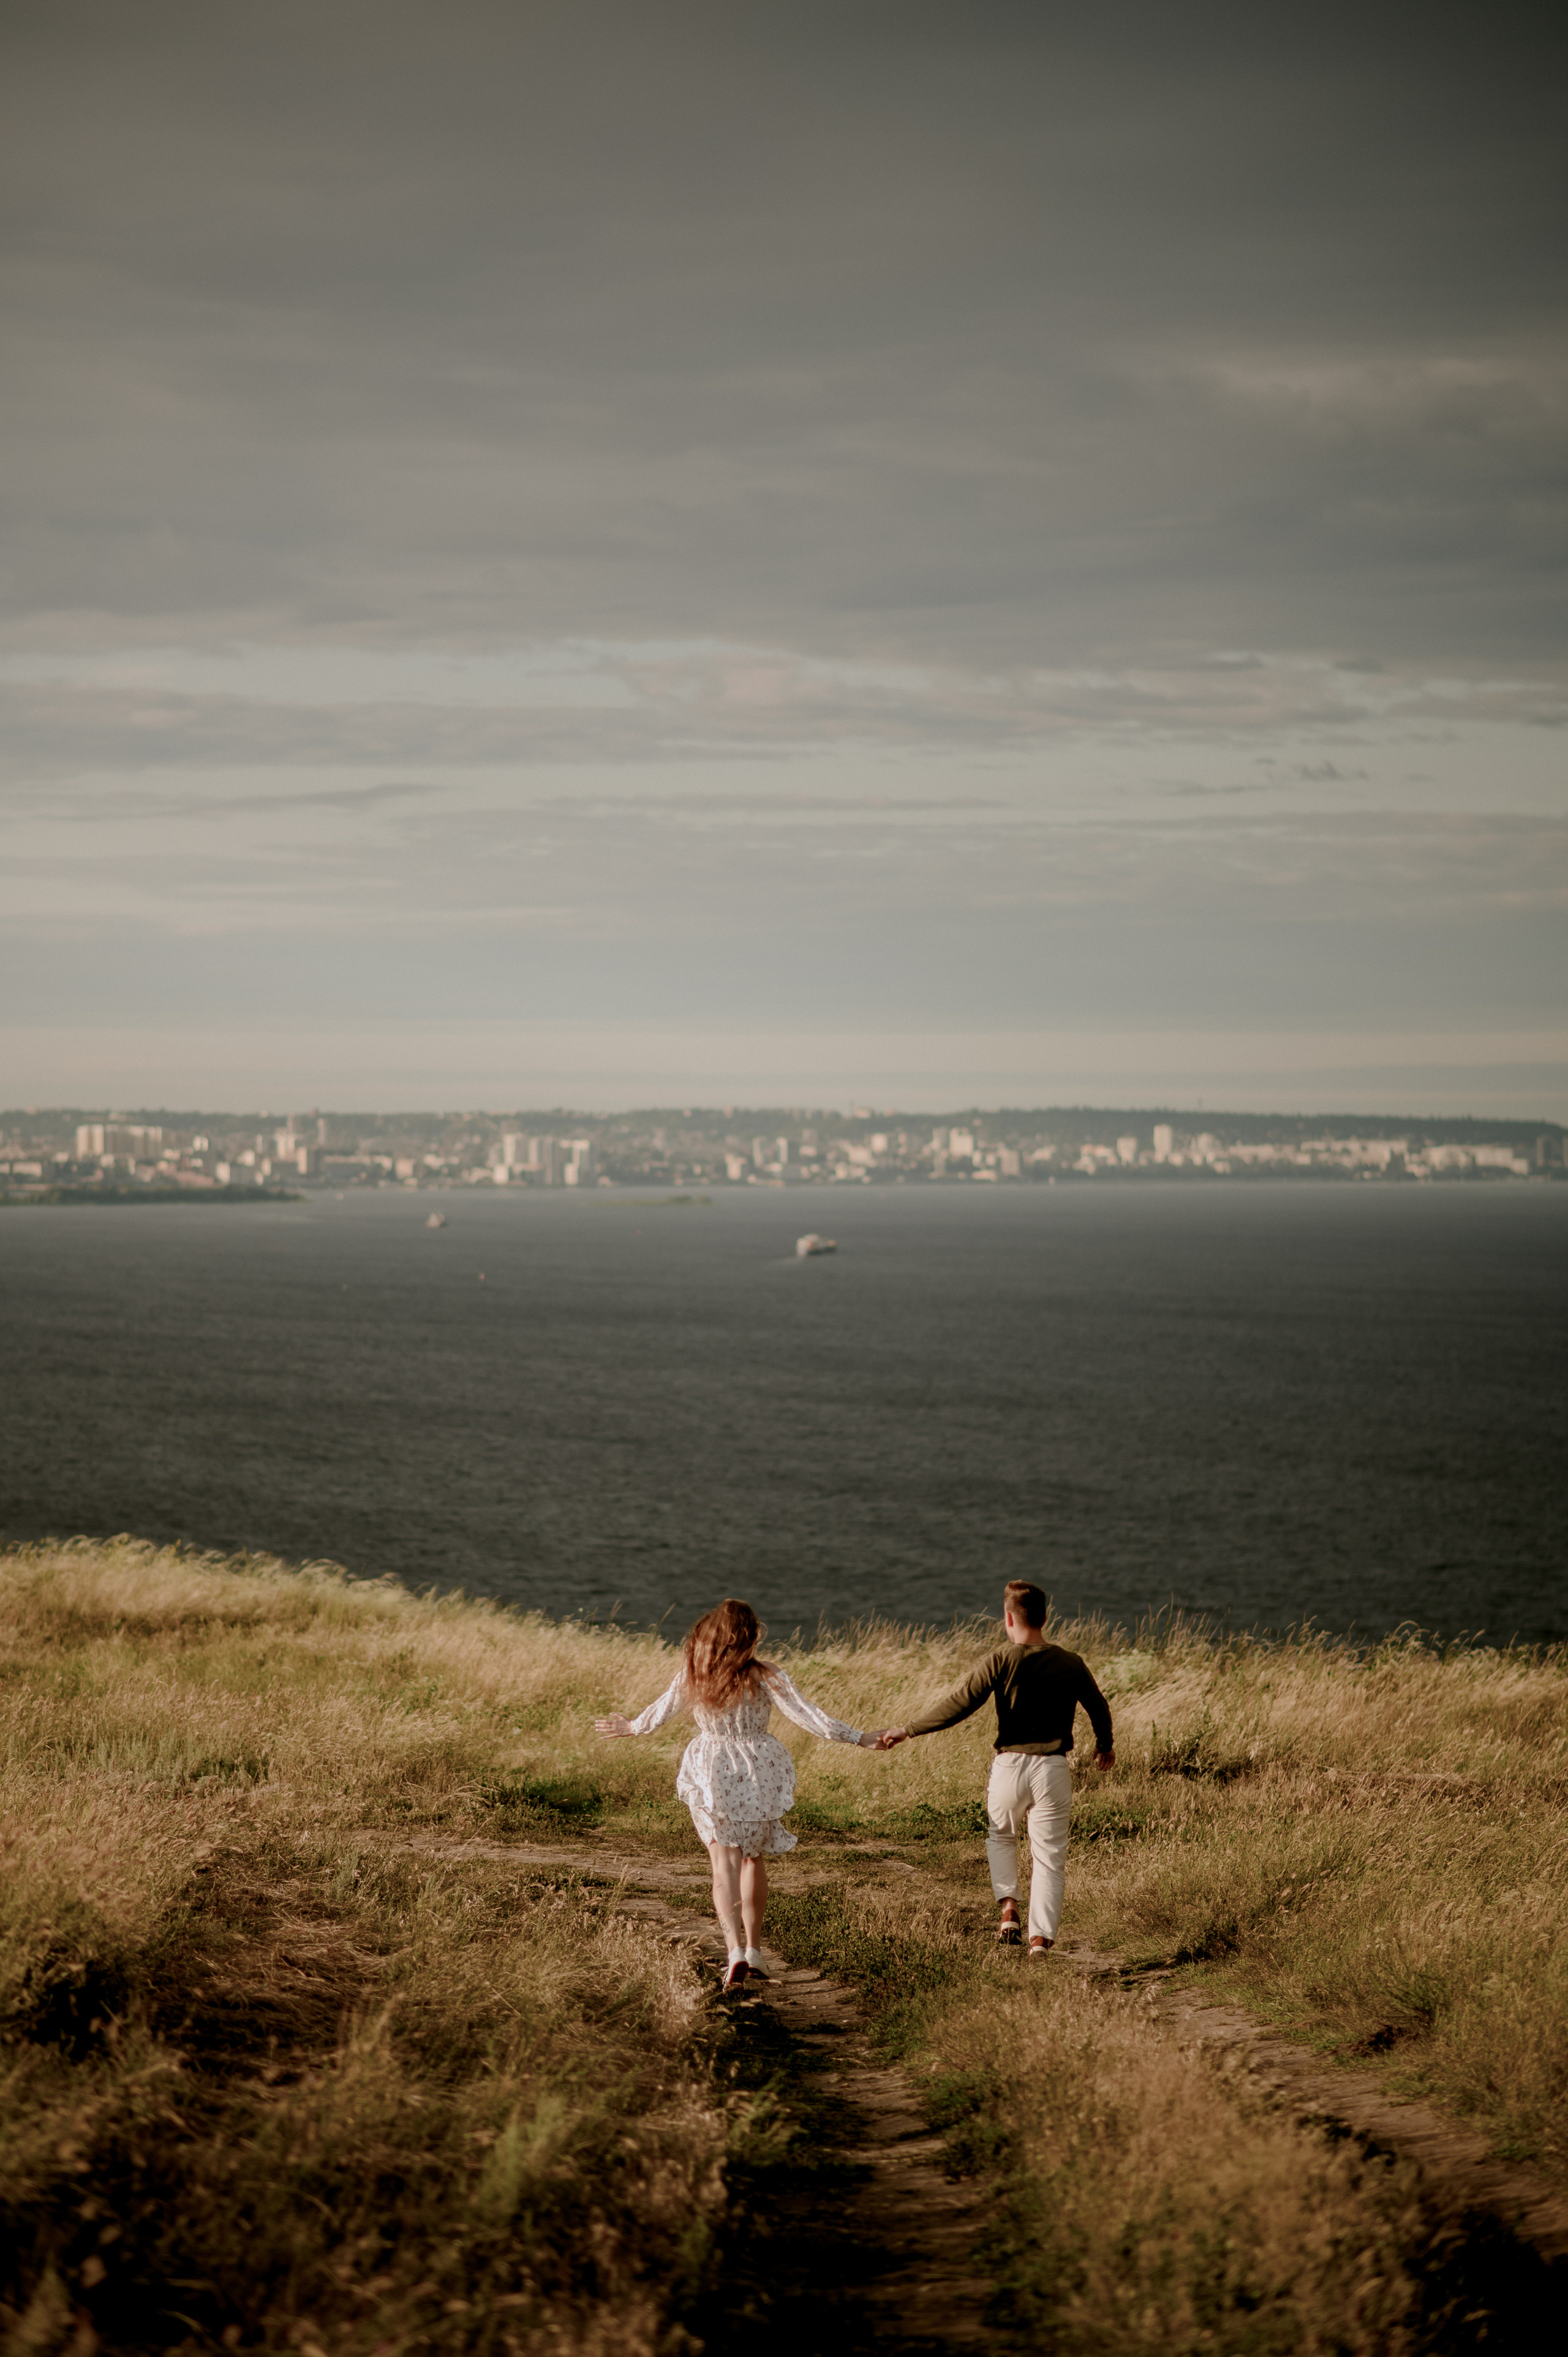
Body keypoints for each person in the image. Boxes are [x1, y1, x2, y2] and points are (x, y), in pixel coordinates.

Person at [597, 1597, 886, 1989]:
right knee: (753, 1858)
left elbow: (662, 1710)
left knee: (724, 1863)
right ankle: (754, 1951)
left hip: (712, 1768)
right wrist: (859, 1738)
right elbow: (808, 1716)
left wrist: (632, 1727)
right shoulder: (766, 1675)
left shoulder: (696, 1674)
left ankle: (733, 1951)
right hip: (758, 1770)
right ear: (750, 1637)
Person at [876, 1580, 1114, 1960]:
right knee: (1049, 1857)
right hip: (1052, 1770)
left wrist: (909, 1729)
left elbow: (961, 1704)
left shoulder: (1000, 1660)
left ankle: (1008, 1909)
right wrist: (1104, 1745)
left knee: (1001, 1838)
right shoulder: (1071, 1662)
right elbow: (1098, 1706)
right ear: (1045, 1618)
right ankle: (1040, 1942)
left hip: (1009, 1768)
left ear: (1009, 1619)